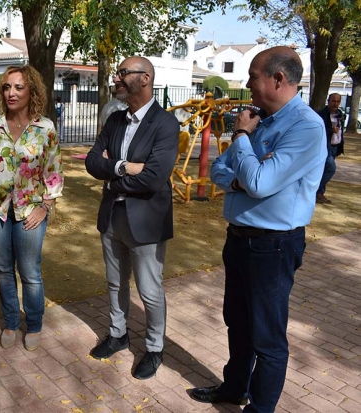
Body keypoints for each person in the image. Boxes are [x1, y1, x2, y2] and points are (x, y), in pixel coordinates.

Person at [189, 46, 327, 412]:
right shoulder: (259, 120)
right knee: (237, 321)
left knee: (267, 337)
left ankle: (259, 407)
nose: (247, 84)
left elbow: (261, 183)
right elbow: (220, 170)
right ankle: (235, 388)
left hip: (273, 245)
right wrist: (241, 178)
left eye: (252, 75)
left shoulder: (306, 126)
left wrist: (241, 140)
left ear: (278, 79)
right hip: (239, 239)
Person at [84, 57, 179, 380]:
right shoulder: (114, 120)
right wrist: (123, 167)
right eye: (118, 73)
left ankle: (154, 349)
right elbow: (92, 162)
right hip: (112, 215)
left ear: (146, 78)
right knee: (115, 283)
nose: (117, 78)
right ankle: (118, 334)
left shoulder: (165, 123)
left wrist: (110, 175)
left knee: (150, 291)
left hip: (146, 220)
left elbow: (153, 179)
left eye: (124, 73)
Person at [0, 65, 64, 352]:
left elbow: (54, 172)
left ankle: (34, 323)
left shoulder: (45, 128)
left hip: (30, 210)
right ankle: (11, 321)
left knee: (30, 271)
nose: (11, 93)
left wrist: (46, 206)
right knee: (2, 269)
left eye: (18, 87)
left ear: (32, 92)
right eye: (7, 87)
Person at [315, 92, 345, 204]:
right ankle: (315, 191)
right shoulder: (321, 115)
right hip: (324, 147)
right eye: (333, 101)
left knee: (325, 170)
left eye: (337, 101)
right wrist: (330, 131)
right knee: (331, 168)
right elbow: (318, 132)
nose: (335, 104)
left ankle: (319, 193)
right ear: (328, 101)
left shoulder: (340, 114)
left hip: (334, 147)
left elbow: (340, 131)